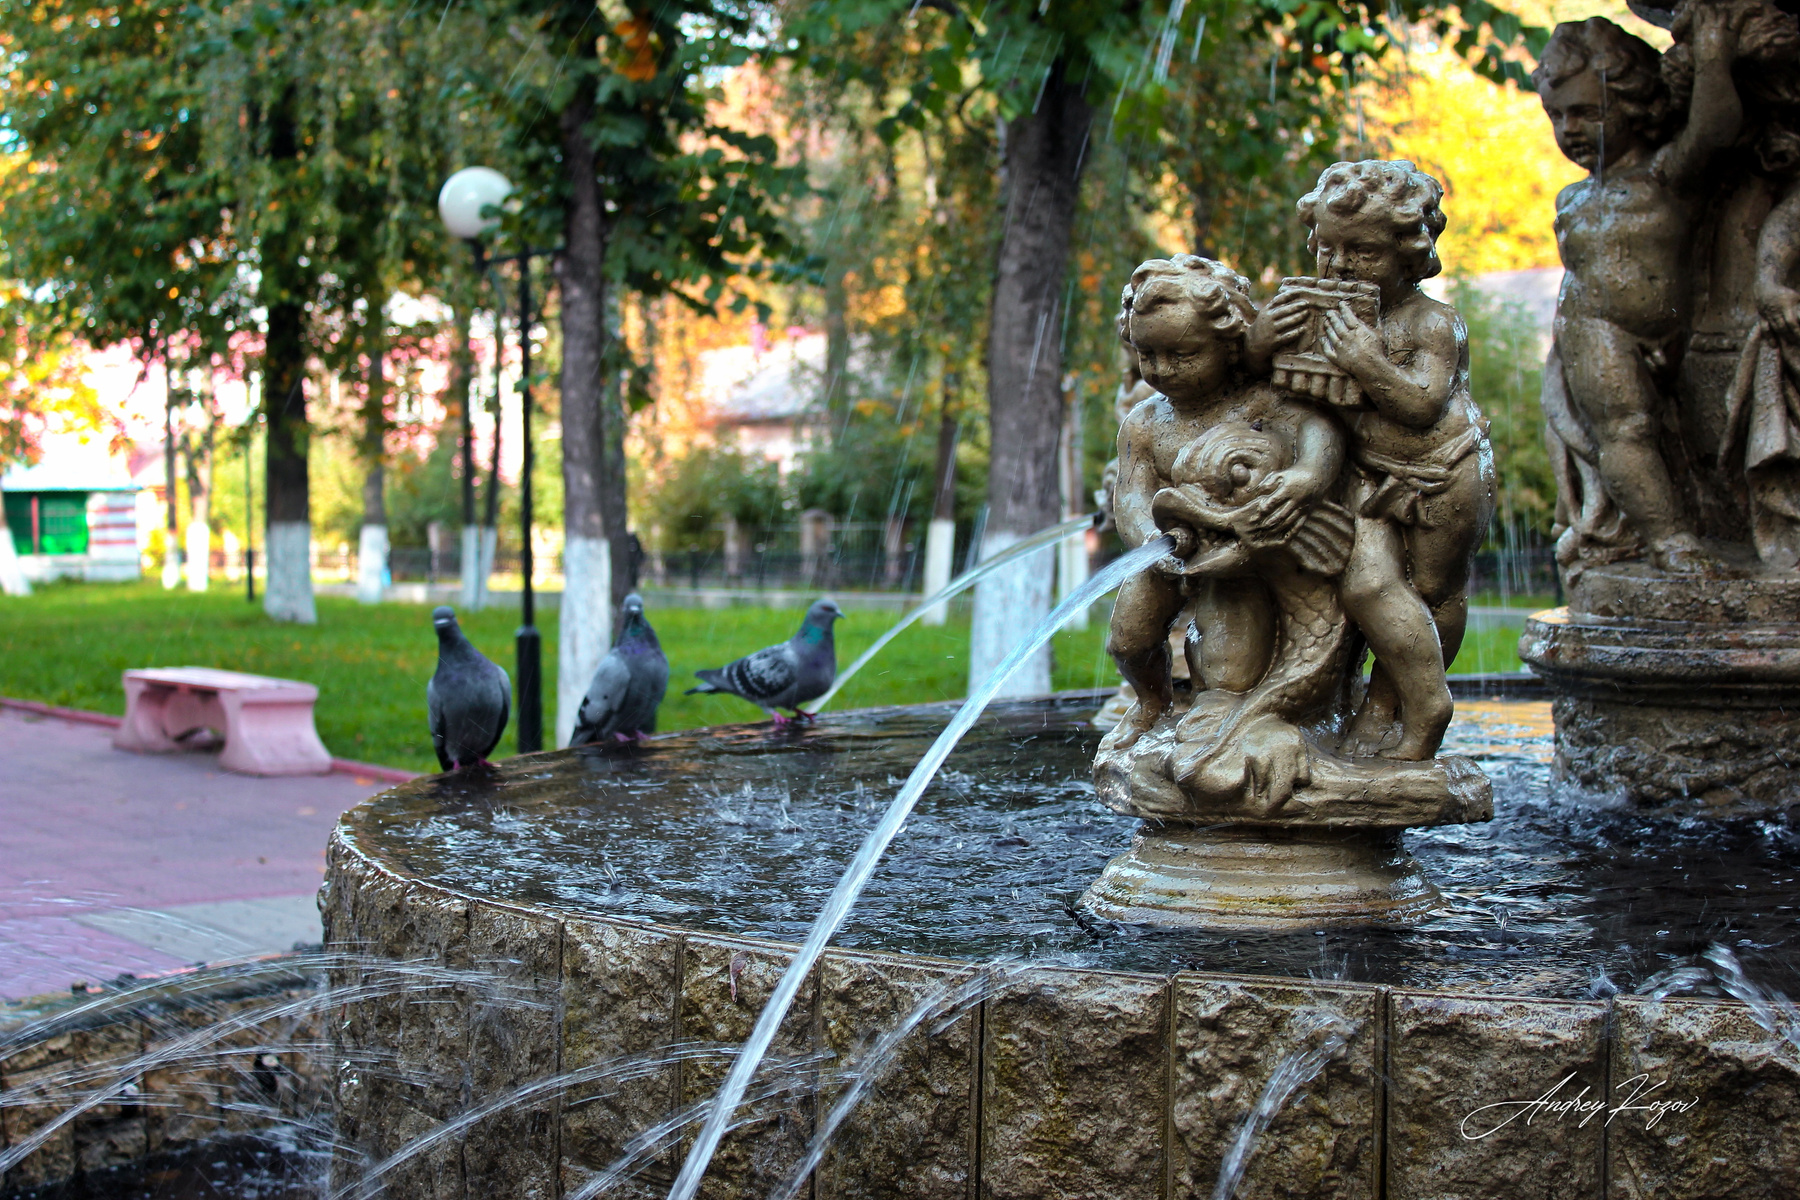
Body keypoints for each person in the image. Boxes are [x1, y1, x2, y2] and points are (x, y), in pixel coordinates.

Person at [1249, 160, 1493, 760]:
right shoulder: (1321, 312)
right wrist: (1260, 340)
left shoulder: (1433, 322)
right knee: (1367, 588)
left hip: (1445, 474)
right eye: (1325, 248)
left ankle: (1408, 712)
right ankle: (1393, 706)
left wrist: (1366, 361)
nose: (1336, 267)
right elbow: (1266, 387)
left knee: (1433, 593)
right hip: (1367, 475)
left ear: (1410, 253)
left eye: (1361, 252)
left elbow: (1422, 405)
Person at [1532, 11, 1747, 573]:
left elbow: (1715, 128)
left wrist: (1715, 50)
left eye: (1588, 113)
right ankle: (1671, 541)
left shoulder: (1664, 174)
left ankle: (1703, 525)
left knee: (1702, 434)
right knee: (1625, 430)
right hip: (1594, 328)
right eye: (1557, 115)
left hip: (1678, 330)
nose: (1570, 130)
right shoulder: (1571, 198)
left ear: (1636, 105)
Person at [1107, 255, 1344, 749]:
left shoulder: (1260, 402)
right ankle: (1151, 700)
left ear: (1230, 343)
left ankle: (1227, 703)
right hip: (1168, 548)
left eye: (1182, 354)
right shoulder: (1145, 422)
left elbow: (1318, 431)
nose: (1163, 369)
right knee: (1128, 639)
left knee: (1225, 656)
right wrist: (1150, 540)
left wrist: (1307, 475)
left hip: (1246, 555)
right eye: (1148, 355)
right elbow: (1130, 495)